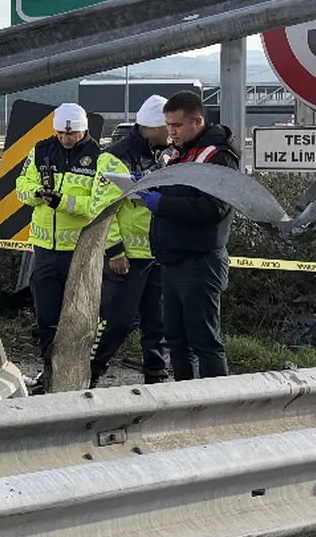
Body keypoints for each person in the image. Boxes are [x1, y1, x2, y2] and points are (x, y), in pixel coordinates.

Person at [139, 90, 240, 380]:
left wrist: (161, 204)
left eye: (177, 126)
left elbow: (213, 209)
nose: (172, 132)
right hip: (172, 261)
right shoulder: (181, 154)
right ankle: (187, 401)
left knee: (204, 342)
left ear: (197, 121)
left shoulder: (217, 156)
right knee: (176, 341)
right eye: (168, 126)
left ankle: (218, 407)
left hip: (199, 262)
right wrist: (151, 188)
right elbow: (181, 195)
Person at [15, 102, 100, 393]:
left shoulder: (99, 157)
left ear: (83, 129)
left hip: (79, 251)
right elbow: (21, 185)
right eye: (61, 134)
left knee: (78, 317)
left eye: (72, 134)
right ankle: (50, 372)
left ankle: (79, 374)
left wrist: (63, 202)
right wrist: (37, 194)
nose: (66, 139)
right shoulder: (40, 150)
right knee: (47, 315)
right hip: (45, 250)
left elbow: (98, 205)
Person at [88, 95, 171, 387]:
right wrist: (114, 250)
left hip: (156, 253)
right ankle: (90, 373)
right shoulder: (116, 157)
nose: (171, 132)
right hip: (128, 258)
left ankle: (156, 379)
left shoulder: (159, 154)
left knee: (157, 323)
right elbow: (100, 207)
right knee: (116, 322)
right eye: (167, 126)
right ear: (154, 126)